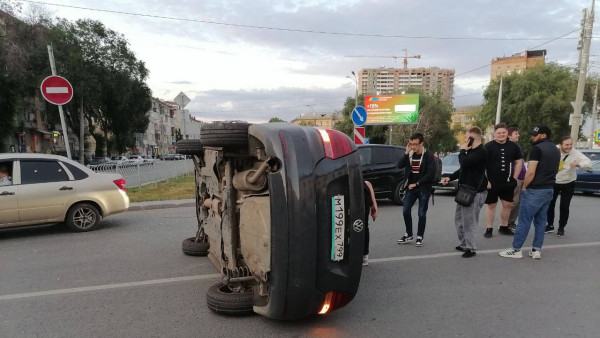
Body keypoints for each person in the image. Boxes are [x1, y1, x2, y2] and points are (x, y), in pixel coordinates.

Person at [499, 125, 560, 260]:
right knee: (540, 221)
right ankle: (536, 250)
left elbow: (531, 171)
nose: (532, 137)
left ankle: (516, 249)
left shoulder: (537, 149)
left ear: (543, 135)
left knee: (524, 220)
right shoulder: (556, 150)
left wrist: (525, 187)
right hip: (549, 189)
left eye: (534, 135)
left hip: (535, 189)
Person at [441, 127, 488, 258]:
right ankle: (463, 243)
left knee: (469, 221)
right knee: (459, 219)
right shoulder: (471, 152)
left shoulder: (481, 152)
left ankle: (471, 248)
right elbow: (463, 168)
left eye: (467, 138)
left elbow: (465, 162)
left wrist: (462, 150)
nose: (465, 140)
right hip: (465, 190)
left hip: (474, 192)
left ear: (473, 138)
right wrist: (449, 177)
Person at [545, 136, 592, 237]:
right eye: (566, 144)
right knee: (550, 204)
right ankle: (550, 225)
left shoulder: (575, 153)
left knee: (564, 206)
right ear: (560, 144)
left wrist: (578, 164)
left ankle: (561, 228)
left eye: (571, 144)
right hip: (554, 181)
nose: (569, 147)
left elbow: (588, 162)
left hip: (569, 182)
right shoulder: (554, 150)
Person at [483, 123, 523, 238]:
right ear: (494, 134)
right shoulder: (488, 146)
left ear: (507, 134)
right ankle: (489, 228)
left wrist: (514, 179)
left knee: (508, 204)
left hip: (508, 182)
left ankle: (504, 226)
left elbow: (519, 162)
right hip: (492, 182)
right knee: (491, 205)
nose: (501, 135)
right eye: (499, 133)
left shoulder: (514, 146)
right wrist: (486, 181)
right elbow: (482, 165)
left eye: (503, 132)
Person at [397, 133, 437, 247]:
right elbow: (399, 165)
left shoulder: (428, 155)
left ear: (421, 144)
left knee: (421, 213)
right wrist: (406, 153)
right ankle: (409, 234)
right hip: (411, 188)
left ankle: (420, 236)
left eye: (415, 144)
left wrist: (417, 183)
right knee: (405, 210)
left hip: (423, 188)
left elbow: (431, 174)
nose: (413, 147)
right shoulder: (410, 154)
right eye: (411, 144)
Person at [507, 127, 527, 233]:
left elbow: (521, 161)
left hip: (522, 177)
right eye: (516, 133)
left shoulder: (517, 146)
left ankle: (512, 222)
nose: (518, 135)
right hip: (516, 178)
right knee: (513, 202)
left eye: (518, 133)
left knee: (518, 202)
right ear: (509, 135)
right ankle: (505, 223)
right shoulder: (509, 147)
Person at [363, 181, 378, 266]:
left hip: (363, 210)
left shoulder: (366, 184)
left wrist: (374, 209)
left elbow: (372, 199)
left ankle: (365, 255)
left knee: (364, 228)